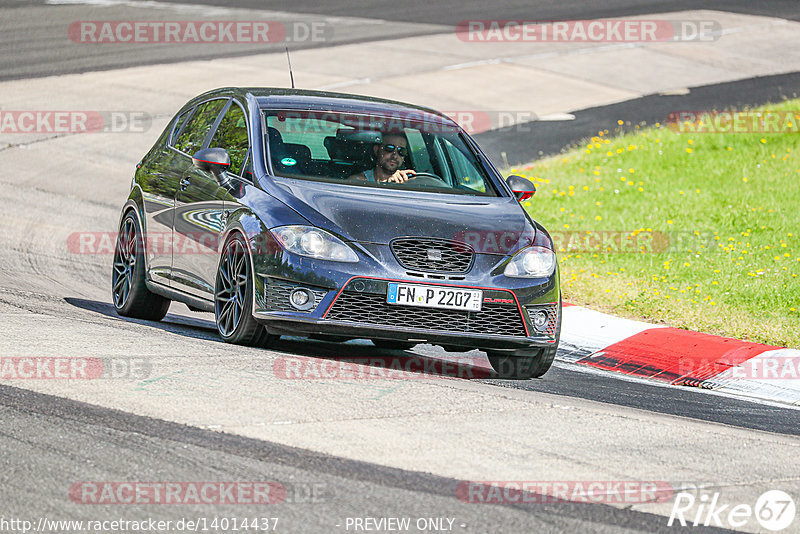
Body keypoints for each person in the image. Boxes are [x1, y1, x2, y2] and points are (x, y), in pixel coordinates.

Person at [348, 132, 416, 183]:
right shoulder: (358, 182)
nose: (395, 156)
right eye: (389, 148)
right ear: (376, 150)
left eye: (401, 151)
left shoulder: (408, 182)